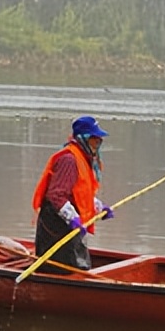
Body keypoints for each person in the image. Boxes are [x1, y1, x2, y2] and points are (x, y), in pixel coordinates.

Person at [32, 115, 114, 271]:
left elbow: (80, 192)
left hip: (69, 223)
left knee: (78, 264)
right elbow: (56, 195)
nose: (99, 142)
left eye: (100, 139)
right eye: (95, 138)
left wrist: (98, 207)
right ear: (84, 138)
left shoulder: (82, 158)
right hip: (56, 225)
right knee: (62, 267)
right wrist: (73, 219)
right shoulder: (69, 160)